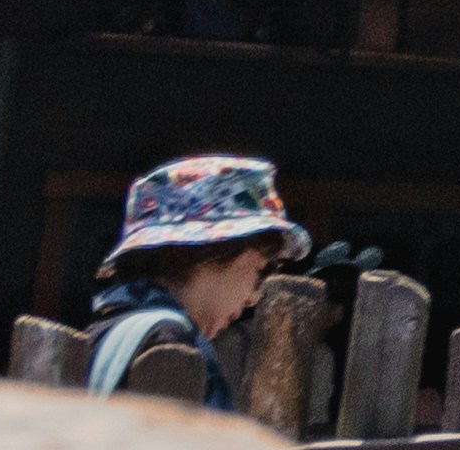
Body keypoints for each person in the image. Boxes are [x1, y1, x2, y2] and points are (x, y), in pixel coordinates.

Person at [80, 153, 308, 408]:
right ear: (212, 252)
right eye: (260, 270)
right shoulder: (175, 345)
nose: (253, 298)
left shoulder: (102, 332)